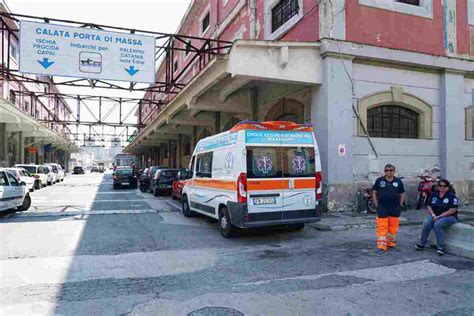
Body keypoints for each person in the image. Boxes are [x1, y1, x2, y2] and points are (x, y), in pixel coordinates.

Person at [415, 179, 459, 256]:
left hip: (449, 217)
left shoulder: (452, 196)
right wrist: (433, 215)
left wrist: (439, 216)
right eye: (440, 185)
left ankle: (440, 247)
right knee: (427, 223)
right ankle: (421, 243)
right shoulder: (434, 194)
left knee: (438, 225)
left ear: (448, 187)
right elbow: (429, 205)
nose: (442, 187)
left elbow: (453, 210)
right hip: (435, 215)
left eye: (444, 186)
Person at [372, 164, 405, 254]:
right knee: (382, 227)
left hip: (394, 207)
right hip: (382, 207)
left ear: (394, 171)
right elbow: (374, 192)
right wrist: (376, 204)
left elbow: (402, 193)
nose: (389, 172)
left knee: (393, 227)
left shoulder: (398, 181)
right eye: (386, 170)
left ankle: (390, 243)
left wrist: (400, 204)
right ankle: (382, 246)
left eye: (391, 170)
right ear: (384, 171)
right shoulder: (379, 181)